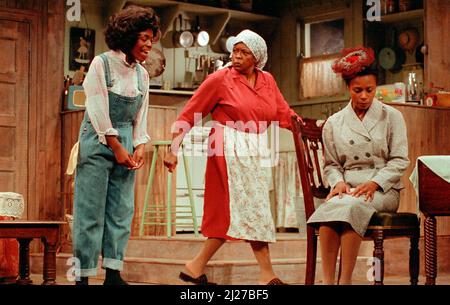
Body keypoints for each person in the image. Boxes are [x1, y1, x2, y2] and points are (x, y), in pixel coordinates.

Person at [163, 29, 302, 285]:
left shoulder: (267, 80)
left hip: (254, 148)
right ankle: (264, 274)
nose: (236, 57)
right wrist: (173, 149)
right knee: (233, 210)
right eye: (235, 51)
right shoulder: (220, 79)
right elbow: (190, 112)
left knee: (254, 208)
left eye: (244, 52)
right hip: (226, 145)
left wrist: (299, 124)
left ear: (257, 57)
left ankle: (200, 267)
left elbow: (282, 110)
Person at [72, 6, 160, 285]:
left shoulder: (142, 75)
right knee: (90, 210)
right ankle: (82, 276)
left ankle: (113, 272)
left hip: (125, 140)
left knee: (121, 210)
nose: (148, 44)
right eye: (143, 38)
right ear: (128, 35)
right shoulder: (102, 63)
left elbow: (141, 113)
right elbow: (96, 107)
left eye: (151, 38)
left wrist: (139, 145)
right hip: (98, 138)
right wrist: (115, 145)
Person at [306, 46, 410, 285]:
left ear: (376, 89)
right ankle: (328, 282)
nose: (364, 96)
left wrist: (375, 183)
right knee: (331, 209)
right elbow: (331, 164)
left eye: (369, 90)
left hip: (383, 189)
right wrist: (338, 182)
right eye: (357, 90)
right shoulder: (334, 123)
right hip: (348, 188)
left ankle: (345, 282)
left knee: (351, 207)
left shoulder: (391, 116)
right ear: (348, 89)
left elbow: (400, 160)